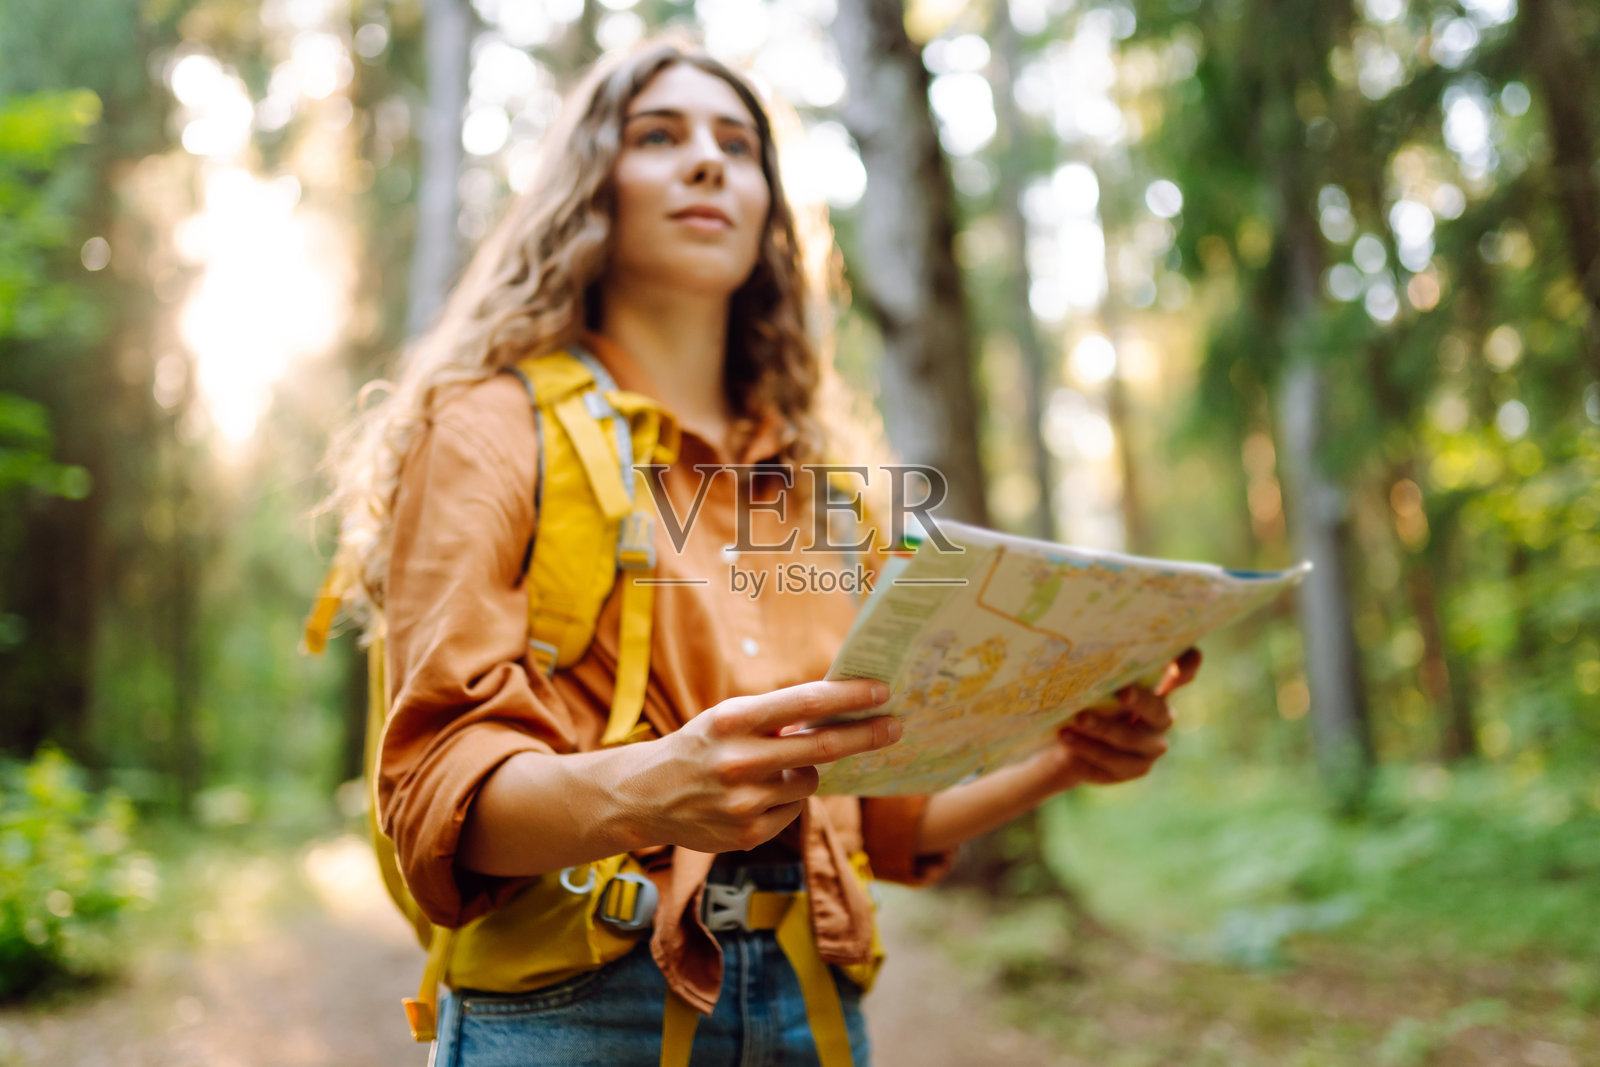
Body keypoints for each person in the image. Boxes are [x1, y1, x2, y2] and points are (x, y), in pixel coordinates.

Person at [322, 31, 1198, 1067]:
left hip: (812, 1003)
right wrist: (650, 789)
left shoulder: (827, 486)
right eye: (659, 135)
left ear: (770, 217)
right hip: (570, 1013)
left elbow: (880, 813)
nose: (708, 162)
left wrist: (1061, 758)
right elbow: (431, 796)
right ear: (586, 186)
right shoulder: (485, 428)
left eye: (738, 146)